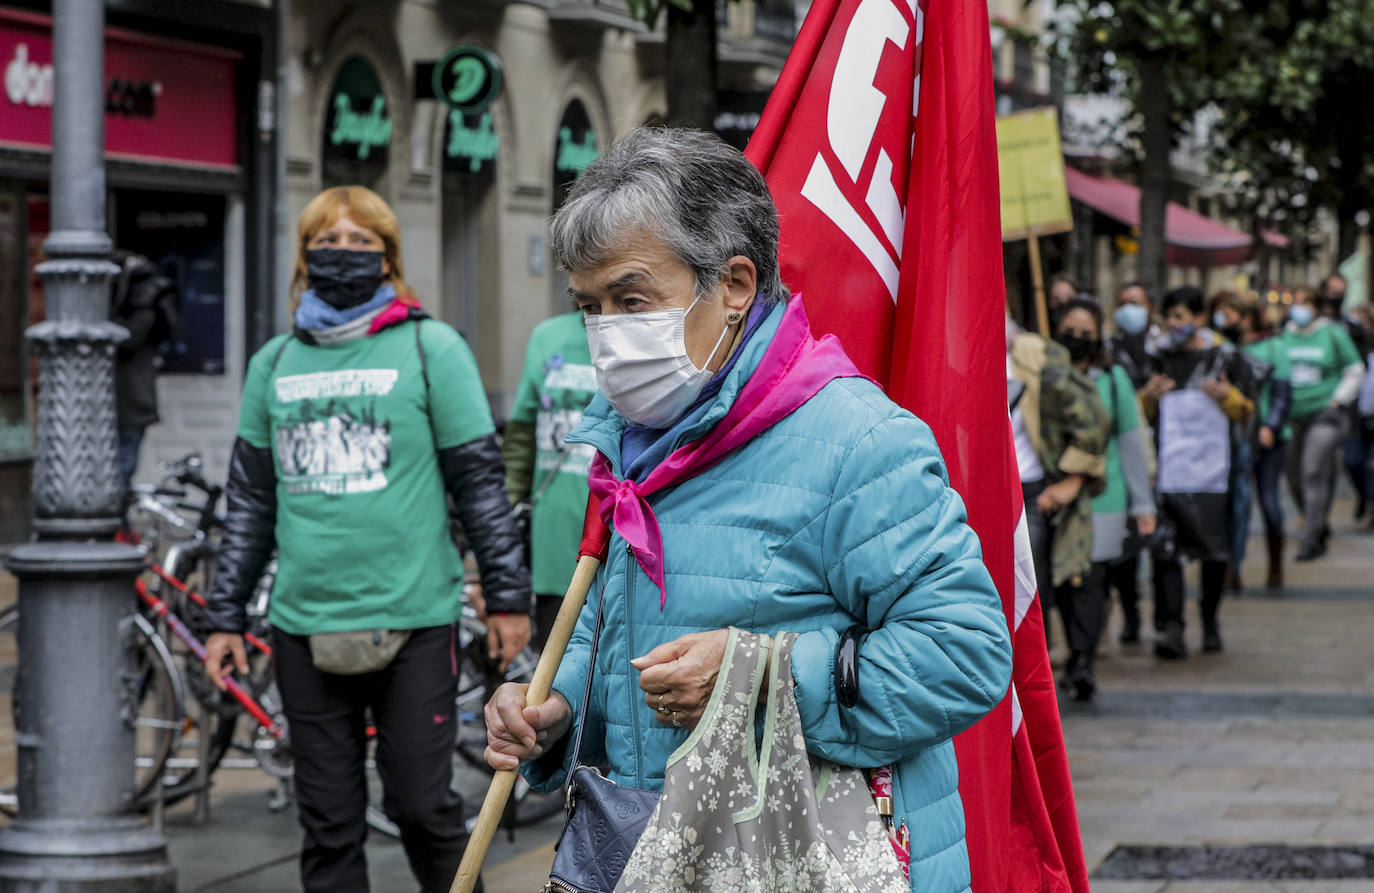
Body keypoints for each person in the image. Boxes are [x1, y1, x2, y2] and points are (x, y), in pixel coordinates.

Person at [483, 128, 1011, 891]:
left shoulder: (859, 442)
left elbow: (965, 655)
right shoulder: (634, 443)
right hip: (658, 854)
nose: (607, 334)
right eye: (589, 306)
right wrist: (557, 703)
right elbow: (615, 619)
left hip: (814, 858)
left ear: (733, 284)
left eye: (631, 298)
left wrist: (758, 676)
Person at [202, 186, 532, 893]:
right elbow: (252, 500)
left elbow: (478, 483)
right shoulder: (274, 364)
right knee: (327, 826)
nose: (343, 253)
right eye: (328, 240)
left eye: (361, 241)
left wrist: (507, 597)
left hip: (414, 621)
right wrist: (222, 614)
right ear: (304, 256)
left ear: (388, 257)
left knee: (423, 810)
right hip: (304, 626)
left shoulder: (430, 347)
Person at [1140, 286, 1254, 658]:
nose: (1174, 323)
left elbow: (1249, 408)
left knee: (1213, 552)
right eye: (1169, 315)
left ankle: (1210, 621)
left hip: (1212, 474)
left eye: (1181, 315)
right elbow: (1140, 413)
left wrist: (1230, 398)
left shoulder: (1225, 357)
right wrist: (1150, 398)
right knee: (1166, 552)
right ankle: (1172, 627)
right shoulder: (1158, 357)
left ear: (1199, 318)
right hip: (1169, 472)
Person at [1052, 299, 1154, 699]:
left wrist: (1143, 505)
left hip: (1103, 500)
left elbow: (1131, 443)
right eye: (1069, 331)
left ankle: (1082, 658)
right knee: (1061, 583)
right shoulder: (1046, 375)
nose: (1076, 339)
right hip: (1055, 499)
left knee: (1092, 582)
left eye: (1085, 333)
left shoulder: (1113, 380)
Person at [1008, 313, 1110, 652]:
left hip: (1032, 492)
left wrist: (1073, 478)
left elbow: (1091, 421)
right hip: (985, 492)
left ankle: (1044, 665)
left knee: (1032, 585)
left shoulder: (1035, 355)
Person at [502, 311, 597, 651]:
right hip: (555, 552)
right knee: (556, 690)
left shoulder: (647, 334)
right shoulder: (548, 335)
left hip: (620, 553)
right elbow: (521, 442)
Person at [1211, 290, 1292, 588]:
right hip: (1232, 436)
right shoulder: (1222, 347)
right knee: (1234, 504)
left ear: (1245, 317)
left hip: (1267, 438)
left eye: (1228, 313)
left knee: (1269, 501)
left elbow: (1283, 394)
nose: (1222, 319)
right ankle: (1232, 566)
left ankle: (1275, 566)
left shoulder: (1273, 347)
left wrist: (1270, 426)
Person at [1281, 285, 1365, 560]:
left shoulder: (1332, 333)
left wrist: (1338, 400)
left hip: (1325, 415)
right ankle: (1316, 520)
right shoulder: (1285, 335)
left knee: (1312, 471)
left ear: (1316, 307)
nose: (1299, 307)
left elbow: (1355, 370)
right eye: (1295, 301)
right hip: (1293, 416)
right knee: (1293, 477)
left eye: (1305, 302)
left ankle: (1310, 538)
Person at [109, 249, 177, 492]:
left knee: (122, 471)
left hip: (131, 405)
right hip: (118, 405)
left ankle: (119, 526)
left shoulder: (144, 311)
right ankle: (120, 524)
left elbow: (130, 340)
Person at [1107, 281, 1157, 389]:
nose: (1127, 309)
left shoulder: (1162, 344)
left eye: (1134, 304)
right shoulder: (1108, 347)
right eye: (1122, 304)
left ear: (1152, 309)